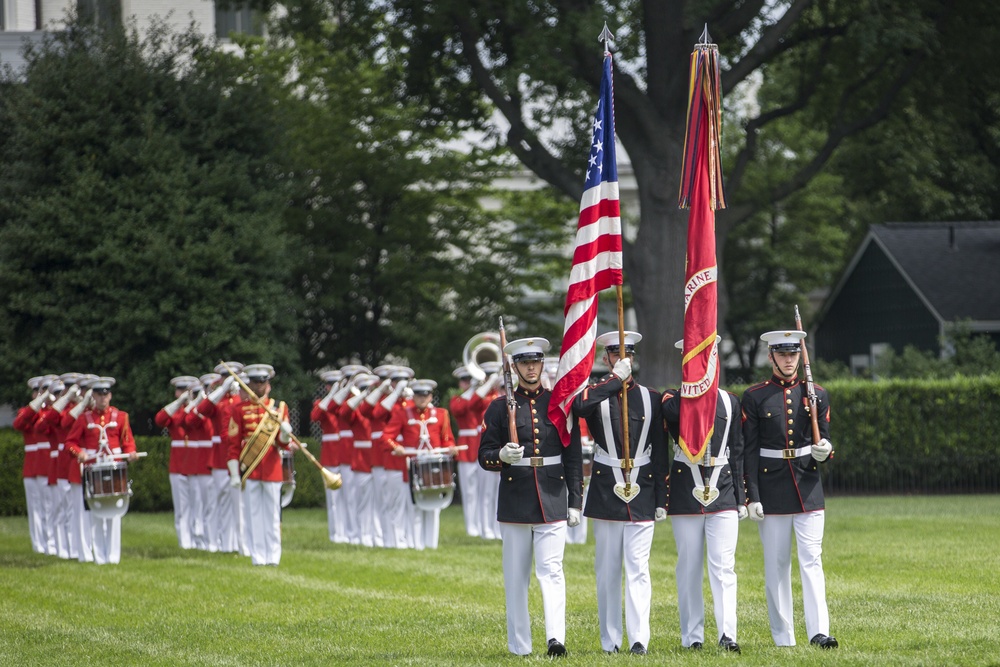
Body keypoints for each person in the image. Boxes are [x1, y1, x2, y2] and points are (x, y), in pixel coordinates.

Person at [478, 336, 583, 657]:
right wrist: (502, 456)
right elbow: (483, 455)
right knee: (516, 577)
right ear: (515, 367)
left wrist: (575, 501)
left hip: (552, 494)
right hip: (516, 498)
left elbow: (573, 456)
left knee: (552, 570)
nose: (531, 368)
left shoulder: (558, 403)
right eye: (525, 362)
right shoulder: (498, 407)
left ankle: (556, 639)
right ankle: (520, 645)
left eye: (536, 361)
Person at [572, 331, 667, 655]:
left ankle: (639, 638)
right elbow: (580, 406)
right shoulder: (595, 395)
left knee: (638, 568)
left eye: (626, 353)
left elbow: (660, 451)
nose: (622, 358)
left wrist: (661, 497)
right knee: (608, 569)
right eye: (615, 354)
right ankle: (610, 640)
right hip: (605, 489)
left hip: (642, 488)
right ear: (606, 358)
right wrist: (614, 380)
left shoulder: (652, 397)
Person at [742, 330, 838, 649]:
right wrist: (752, 495)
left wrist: (825, 448)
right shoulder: (755, 396)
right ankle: (784, 637)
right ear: (771, 357)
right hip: (771, 488)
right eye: (782, 354)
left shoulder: (817, 394)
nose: (788, 360)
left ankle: (819, 631)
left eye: (793, 354)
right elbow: (749, 450)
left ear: (800, 356)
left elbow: (822, 436)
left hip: (808, 484)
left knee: (812, 560)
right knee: (777, 564)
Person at [661, 338, 745, 653]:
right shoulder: (674, 398)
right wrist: (693, 387)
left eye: (706, 355)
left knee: (723, 565)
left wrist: (742, 497)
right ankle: (692, 636)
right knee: (689, 565)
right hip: (685, 486)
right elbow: (672, 412)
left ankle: (728, 634)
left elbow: (736, 450)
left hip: (722, 487)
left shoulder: (729, 401)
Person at [65, 377, 139, 565]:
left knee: (114, 510)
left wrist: (130, 453)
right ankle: (99, 556)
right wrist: (79, 453)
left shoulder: (121, 416)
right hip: (93, 466)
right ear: (94, 396)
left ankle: (113, 557)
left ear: (110, 396)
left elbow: (127, 441)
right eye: (98, 395)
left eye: (105, 395)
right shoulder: (84, 418)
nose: (102, 398)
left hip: (113, 465)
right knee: (96, 511)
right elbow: (70, 442)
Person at [228, 364, 292, 566]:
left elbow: (282, 443)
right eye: (255, 382)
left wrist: (284, 432)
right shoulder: (238, 410)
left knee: (272, 514)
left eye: (262, 382)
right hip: (250, 468)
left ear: (268, 384)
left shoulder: (278, 408)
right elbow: (232, 444)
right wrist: (234, 473)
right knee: (253, 514)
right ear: (249, 384)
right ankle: (258, 557)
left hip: (272, 467)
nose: (258, 386)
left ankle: (273, 557)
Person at [382, 379, 456, 550]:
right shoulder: (402, 413)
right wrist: (397, 448)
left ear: (430, 397)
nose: (422, 399)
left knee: (433, 506)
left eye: (425, 395)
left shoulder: (441, 414)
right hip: (414, 464)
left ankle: (431, 543)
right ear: (413, 396)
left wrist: (450, 448)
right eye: (418, 395)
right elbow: (387, 437)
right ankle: (416, 544)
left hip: (434, 464)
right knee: (415, 504)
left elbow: (447, 439)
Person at [449, 364, 500, 538]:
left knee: (488, 491)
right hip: (466, 448)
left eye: (469, 379)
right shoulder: (458, 399)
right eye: (464, 380)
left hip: (482, 444)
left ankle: (489, 526)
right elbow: (465, 406)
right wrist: (473, 387)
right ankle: (472, 526)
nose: (467, 382)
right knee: (469, 492)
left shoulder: (491, 396)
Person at [155, 375, 197, 549]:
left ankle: (197, 539)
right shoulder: (175, 411)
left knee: (197, 504)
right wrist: (179, 402)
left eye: (188, 391)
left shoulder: (197, 410)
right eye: (181, 390)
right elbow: (160, 420)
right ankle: (184, 541)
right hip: (179, 464)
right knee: (182, 507)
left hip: (195, 463)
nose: (185, 394)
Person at [311, 369, 344, 543]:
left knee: (348, 497)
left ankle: (347, 532)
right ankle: (335, 534)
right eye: (332, 385)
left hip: (346, 454)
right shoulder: (322, 403)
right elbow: (315, 415)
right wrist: (331, 394)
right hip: (331, 455)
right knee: (333, 499)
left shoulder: (346, 402)